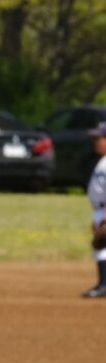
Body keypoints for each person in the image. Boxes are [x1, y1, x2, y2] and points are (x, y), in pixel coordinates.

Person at [83, 122, 106, 298]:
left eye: (100, 138)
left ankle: (104, 285)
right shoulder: (103, 161)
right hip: (100, 209)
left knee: (102, 248)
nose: (96, 142)